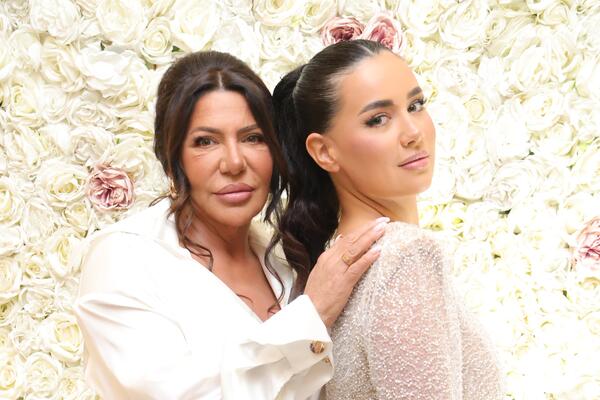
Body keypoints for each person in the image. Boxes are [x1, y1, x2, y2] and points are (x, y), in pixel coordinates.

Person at [73, 51, 387, 400]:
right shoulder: (125, 258)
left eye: (253, 137)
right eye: (205, 142)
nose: (234, 163)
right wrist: (312, 313)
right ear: (171, 157)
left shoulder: (284, 259)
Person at [272, 39, 504, 400]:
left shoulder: (336, 259)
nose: (413, 133)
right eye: (378, 119)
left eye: (415, 105)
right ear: (324, 151)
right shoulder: (404, 257)